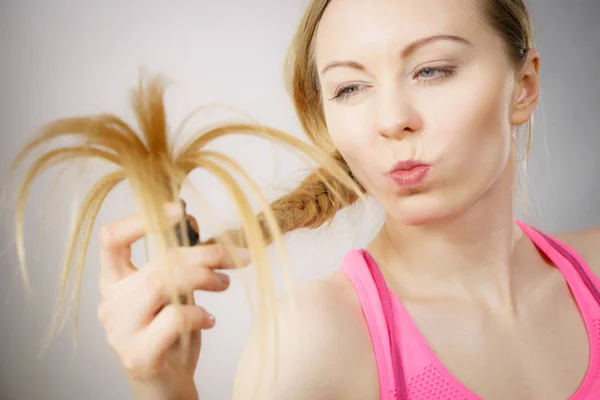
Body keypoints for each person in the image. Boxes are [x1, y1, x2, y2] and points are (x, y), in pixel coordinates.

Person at [93, 0, 600, 399]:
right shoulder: (313, 341)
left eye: (432, 70)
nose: (390, 119)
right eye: (351, 88)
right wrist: (164, 393)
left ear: (524, 87)